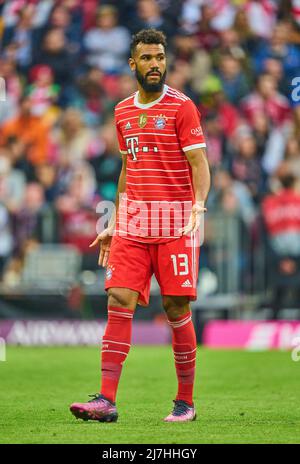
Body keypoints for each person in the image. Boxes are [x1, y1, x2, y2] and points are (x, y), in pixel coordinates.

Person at [69, 29, 210, 423]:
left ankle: (185, 402)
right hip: (133, 223)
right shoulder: (122, 112)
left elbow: (200, 164)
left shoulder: (182, 108)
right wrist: (114, 219)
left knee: (175, 306)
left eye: (160, 57)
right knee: (118, 300)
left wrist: (198, 205)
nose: (154, 64)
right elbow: (128, 168)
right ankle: (106, 400)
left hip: (176, 223)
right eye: (146, 58)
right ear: (133, 64)